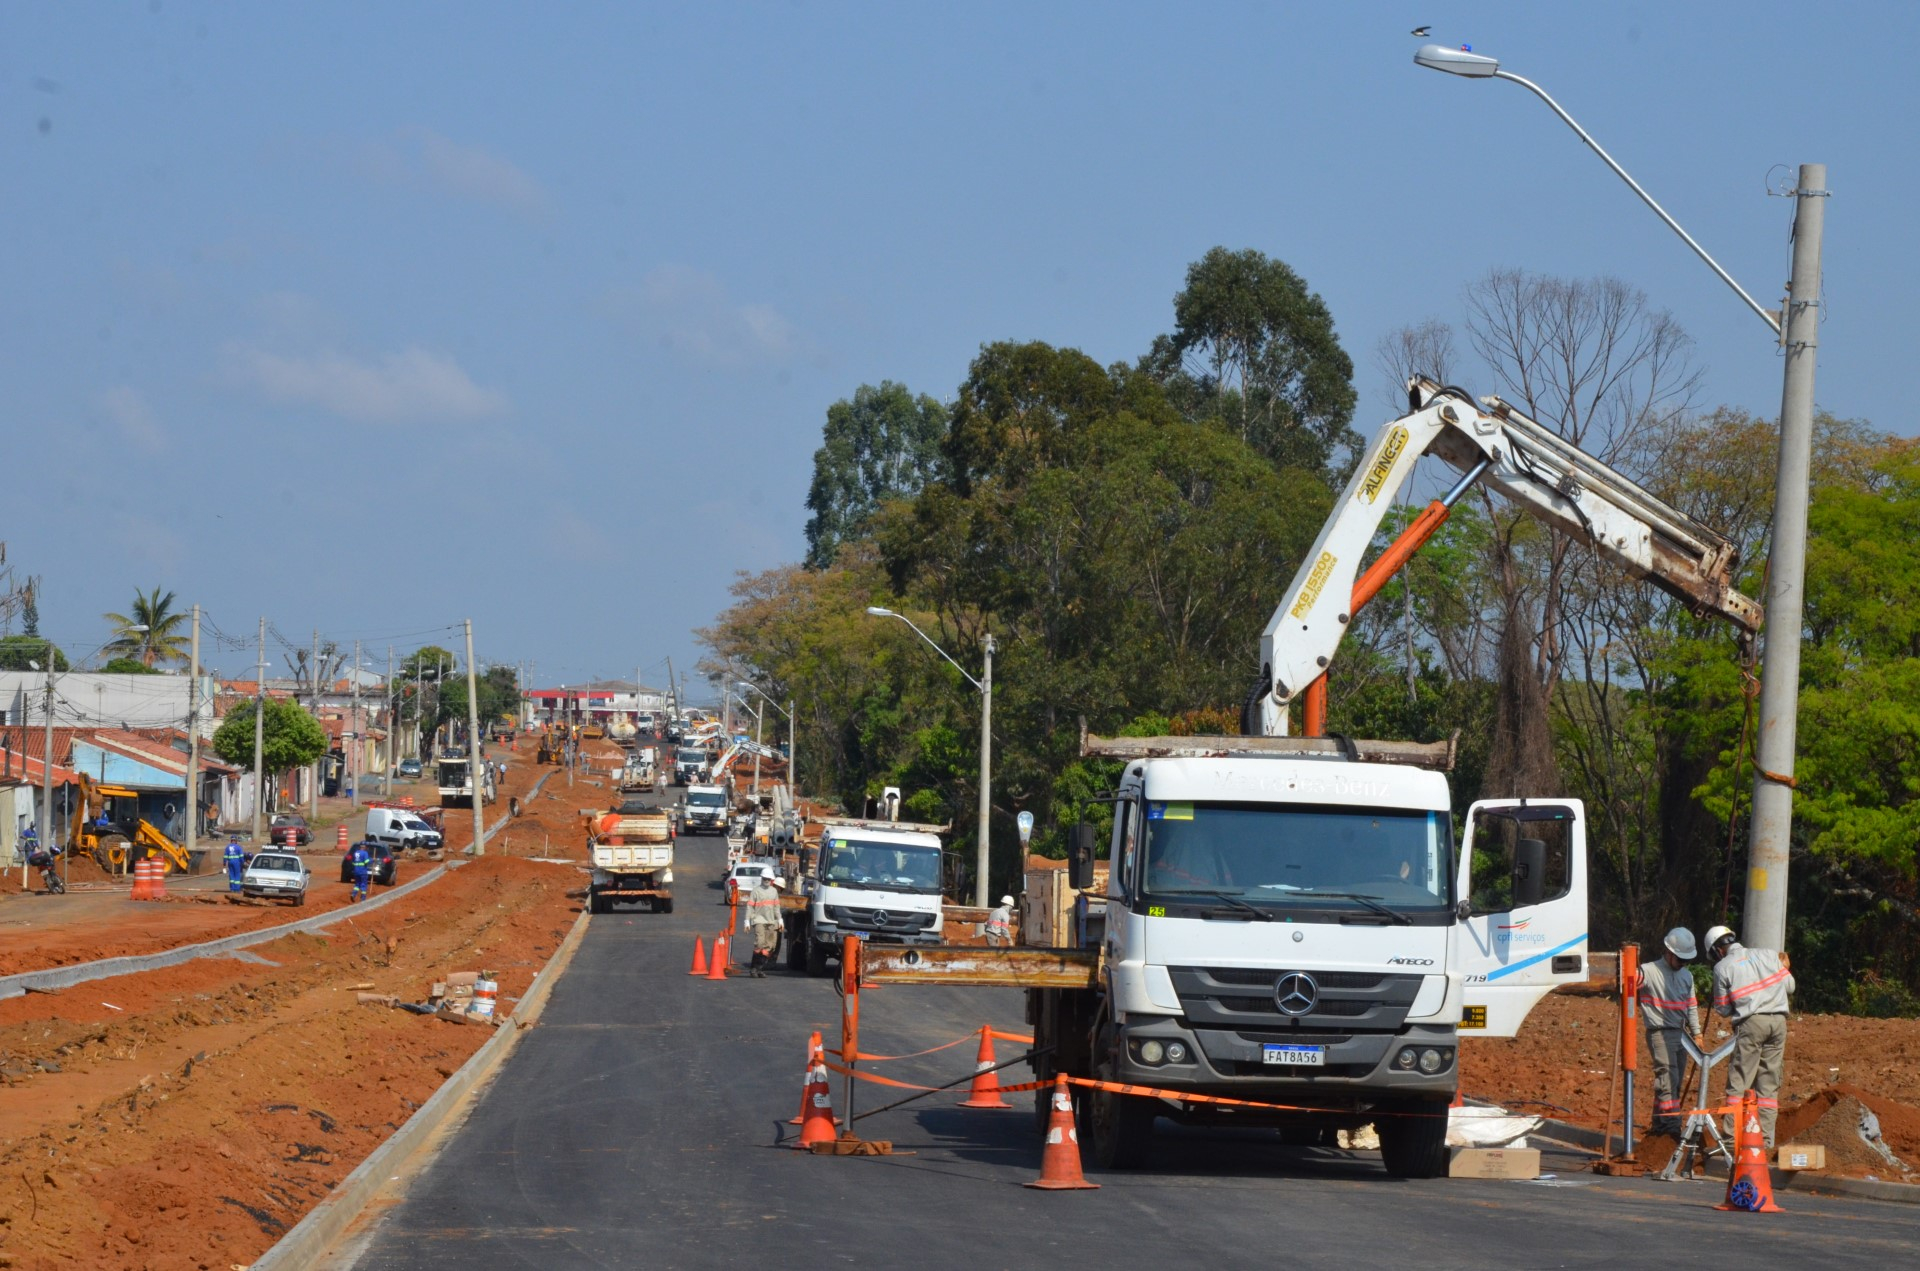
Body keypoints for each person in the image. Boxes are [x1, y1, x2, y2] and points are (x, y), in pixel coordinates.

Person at [1705, 923, 1795, 1148]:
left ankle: (1731, 1139)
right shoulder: (1768, 955)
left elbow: (1723, 1009)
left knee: (1739, 1082)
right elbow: (1790, 986)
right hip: (1779, 1023)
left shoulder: (1723, 967)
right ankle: (1765, 1142)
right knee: (1768, 1085)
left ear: (1717, 950)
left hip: (1751, 1023)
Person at [1637, 927, 1700, 1136]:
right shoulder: (1648, 971)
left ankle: (1659, 1126)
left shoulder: (1687, 976)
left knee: (1674, 1082)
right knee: (1667, 1079)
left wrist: (1697, 1034)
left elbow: (1691, 1006)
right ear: (1669, 952)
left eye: (1686, 960)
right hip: (1659, 1032)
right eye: (1680, 958)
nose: (1683, 963)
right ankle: (1671, 1128)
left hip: (1681, 1035)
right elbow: (1629, 981)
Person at [745, 874, 783, 977]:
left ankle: (759, 968)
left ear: (771, 880)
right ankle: (753, 969)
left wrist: (780, 919)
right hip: (759, 920)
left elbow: (776, 907)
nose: (766, 880)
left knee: (769, 947)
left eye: (768, 879)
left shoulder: (774, 891)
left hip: (771, 922)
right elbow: (750, 906)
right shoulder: (756, 891)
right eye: (764, 878)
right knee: (759, 944)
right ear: (761, 878)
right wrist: (747, 921)